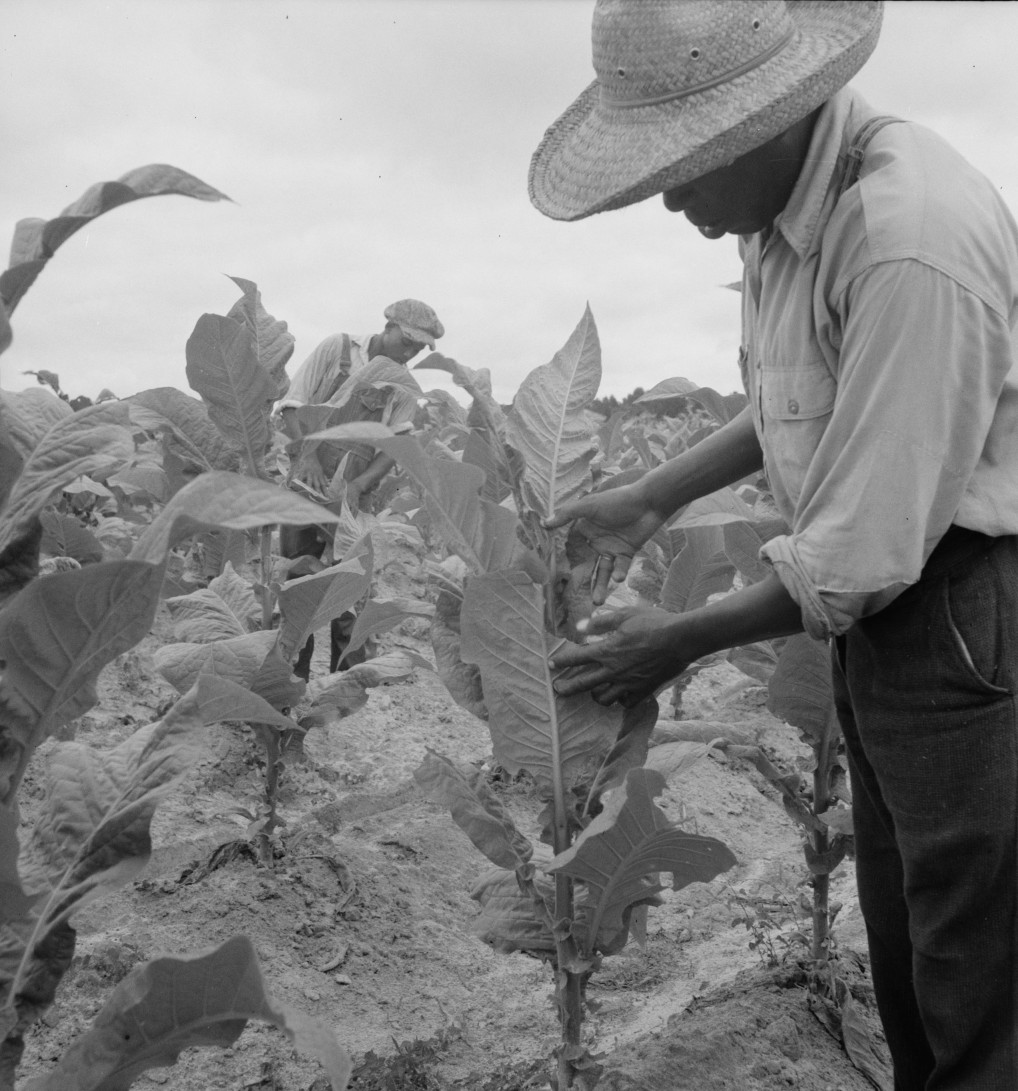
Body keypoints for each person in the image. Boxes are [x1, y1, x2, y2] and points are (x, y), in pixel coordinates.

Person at [528, 3, 1018, 1089]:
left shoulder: (905, 233)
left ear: (768, 123)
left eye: (685, 168)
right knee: (908, 946)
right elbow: (806, 393)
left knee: (978, 976)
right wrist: (653, 495)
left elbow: (859, 550)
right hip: (894, 626)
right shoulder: (785, 214)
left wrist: (677, 639)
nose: (670, 197)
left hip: (959, 621)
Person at [276, 298, 444, 677]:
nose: (411, 352)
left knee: (350, 584)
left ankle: (346, 679)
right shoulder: (338, 350)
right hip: (308, 485)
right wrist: (309, 458)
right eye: (408, 341)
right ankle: (291, 675)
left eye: (419, 348)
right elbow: (292, 405)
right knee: (298, 580)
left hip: (353, 496)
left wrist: (360, 485)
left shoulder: (401, 381)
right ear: (388, 327)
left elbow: (398, 443)